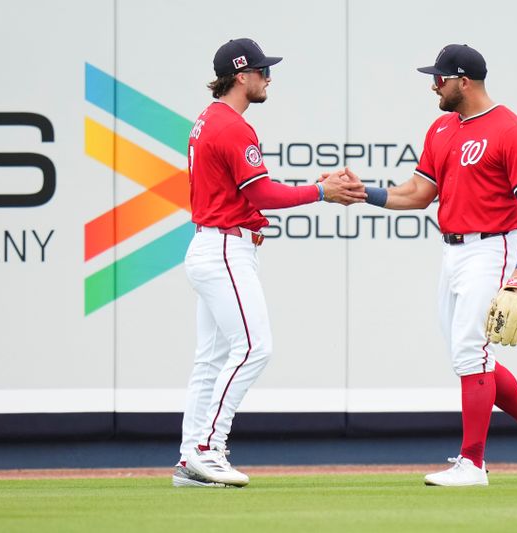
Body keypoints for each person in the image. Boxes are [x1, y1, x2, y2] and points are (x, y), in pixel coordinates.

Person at [348, 43, 517, 486]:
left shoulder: (511, 131)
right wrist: (365, 193)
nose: (434, 86)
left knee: (471, 352)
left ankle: (473, 463)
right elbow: (417, 193)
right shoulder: (442, 129)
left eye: (439, 79)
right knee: (469, 355)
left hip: (493, 247)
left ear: (463, 81)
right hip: (453, 250)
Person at [173, 38, 366, 488]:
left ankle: (190, 459)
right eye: (262, 71)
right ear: (241, 76)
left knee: (212, 360)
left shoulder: (208, 120)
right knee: (254, 348)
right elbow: (260, 194)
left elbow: (241, 194)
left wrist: (305, 190)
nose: (268, 78)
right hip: (224, 249)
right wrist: (322, 192)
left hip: (212, 243)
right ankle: (206, 448)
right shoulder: (232, 126)